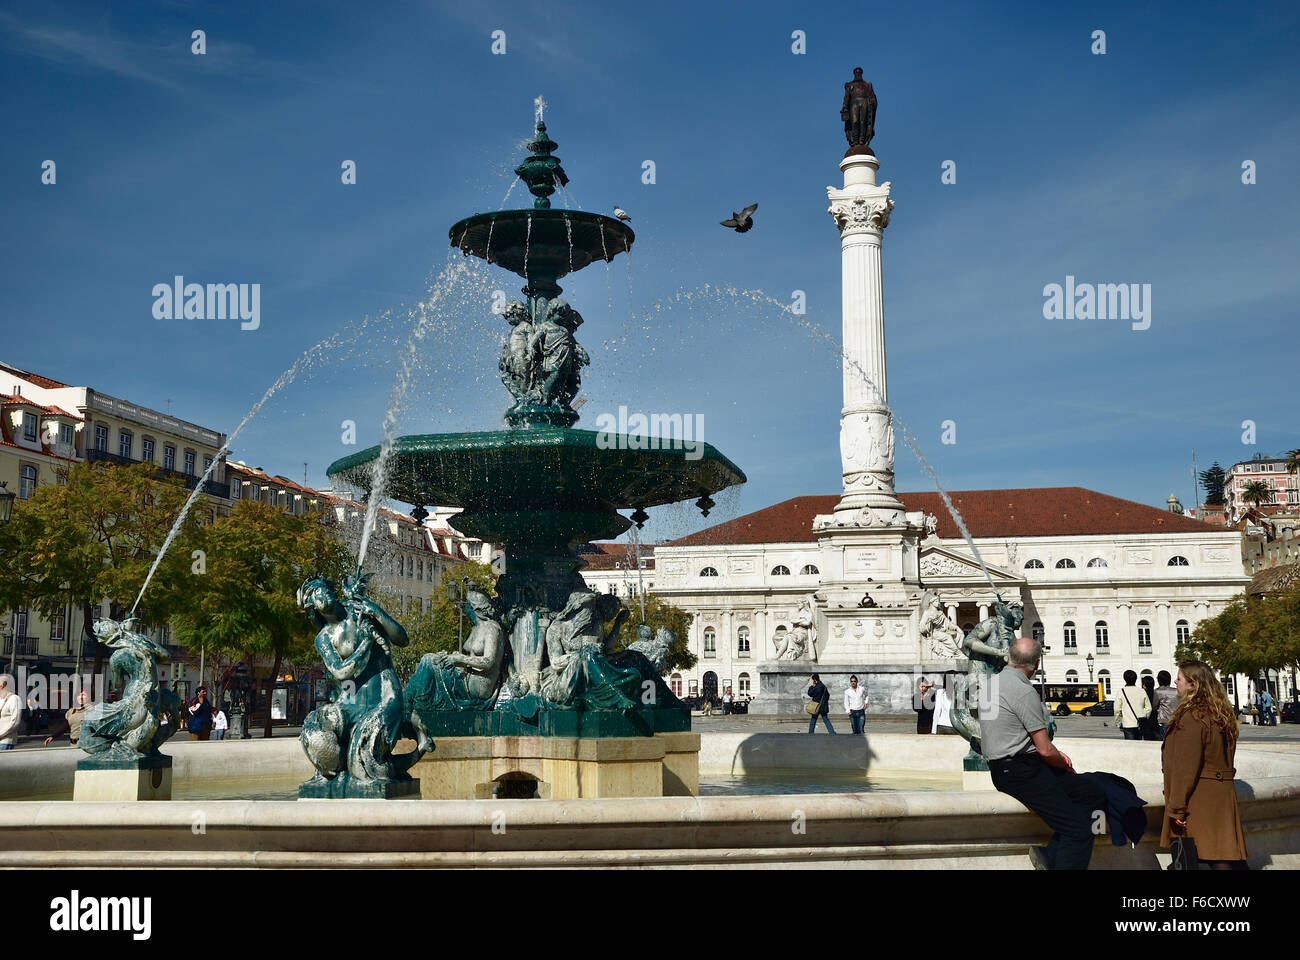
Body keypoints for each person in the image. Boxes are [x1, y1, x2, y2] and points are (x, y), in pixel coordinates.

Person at [983, 636, 1107, 870]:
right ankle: (1058, 856)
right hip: (1022, 770)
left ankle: (1050, 855)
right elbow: (1045, 749)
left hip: (1005, 767)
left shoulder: (990, 684)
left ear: (1008, 657)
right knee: (1079, 831)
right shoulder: (1023, 690)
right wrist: (1064, 763)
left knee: (1091, 794)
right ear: (1037, 664)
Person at [1161, 660, 1248, 870]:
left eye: (1180, 679)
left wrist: (1177, 809)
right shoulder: (1220, 714)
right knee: (1220, 855)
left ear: (1193, 684)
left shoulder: (1191, 717)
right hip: (1220, 795)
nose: (1175, 682)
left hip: (1199, 798)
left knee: (1210, 857)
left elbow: (1185, 768)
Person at [1115, 670, 1151, 740]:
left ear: (1124, 679)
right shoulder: (1142, 691)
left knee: (1130, 747)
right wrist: (1144, 717)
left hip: (1127, 724)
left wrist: (1118, 723)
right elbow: (1149, 708)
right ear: (1136, 679)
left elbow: (1117, 709)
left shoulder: (1121, 692)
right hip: (1140, 723)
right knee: (1139, 745)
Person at [1152, 670, 1179, 740]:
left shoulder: (1157, 691)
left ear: (1159, 680)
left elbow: (1154, 706)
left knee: (1164, 742)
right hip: (1176, 720)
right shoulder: (1177, 691)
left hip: (1164, 720)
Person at [0, 678, 22, 750]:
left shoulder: (14, 699)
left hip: (5, 742)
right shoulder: (1, 699)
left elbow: (15, 722)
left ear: (2, 686)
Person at [1140, 675, 1158, 740]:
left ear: (1144, 685)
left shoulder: (1143, 694)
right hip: (1155, 719)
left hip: (1146, 721)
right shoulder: (1156, 693)